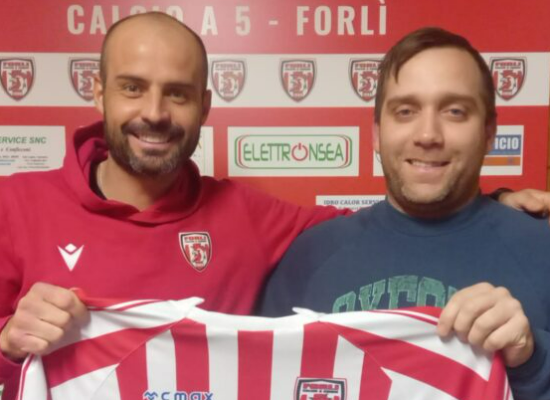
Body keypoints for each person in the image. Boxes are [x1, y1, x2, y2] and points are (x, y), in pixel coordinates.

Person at [0, 13, 547, 399]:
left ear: (204, 106)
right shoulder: (14, 203)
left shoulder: (253, 218)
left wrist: (495, 207)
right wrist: (8, 344)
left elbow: (407, 219)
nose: (155, 112)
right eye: (132, 87)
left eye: (178, 93)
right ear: (99, 92)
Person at [259, 27, 550, 400]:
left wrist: (532, 360)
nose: (427, 135)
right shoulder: (308, 257)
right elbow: (259, 381)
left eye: (455, 111)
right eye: (406, 111)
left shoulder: (541, 250)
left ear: (489, 132)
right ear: (377, 133)